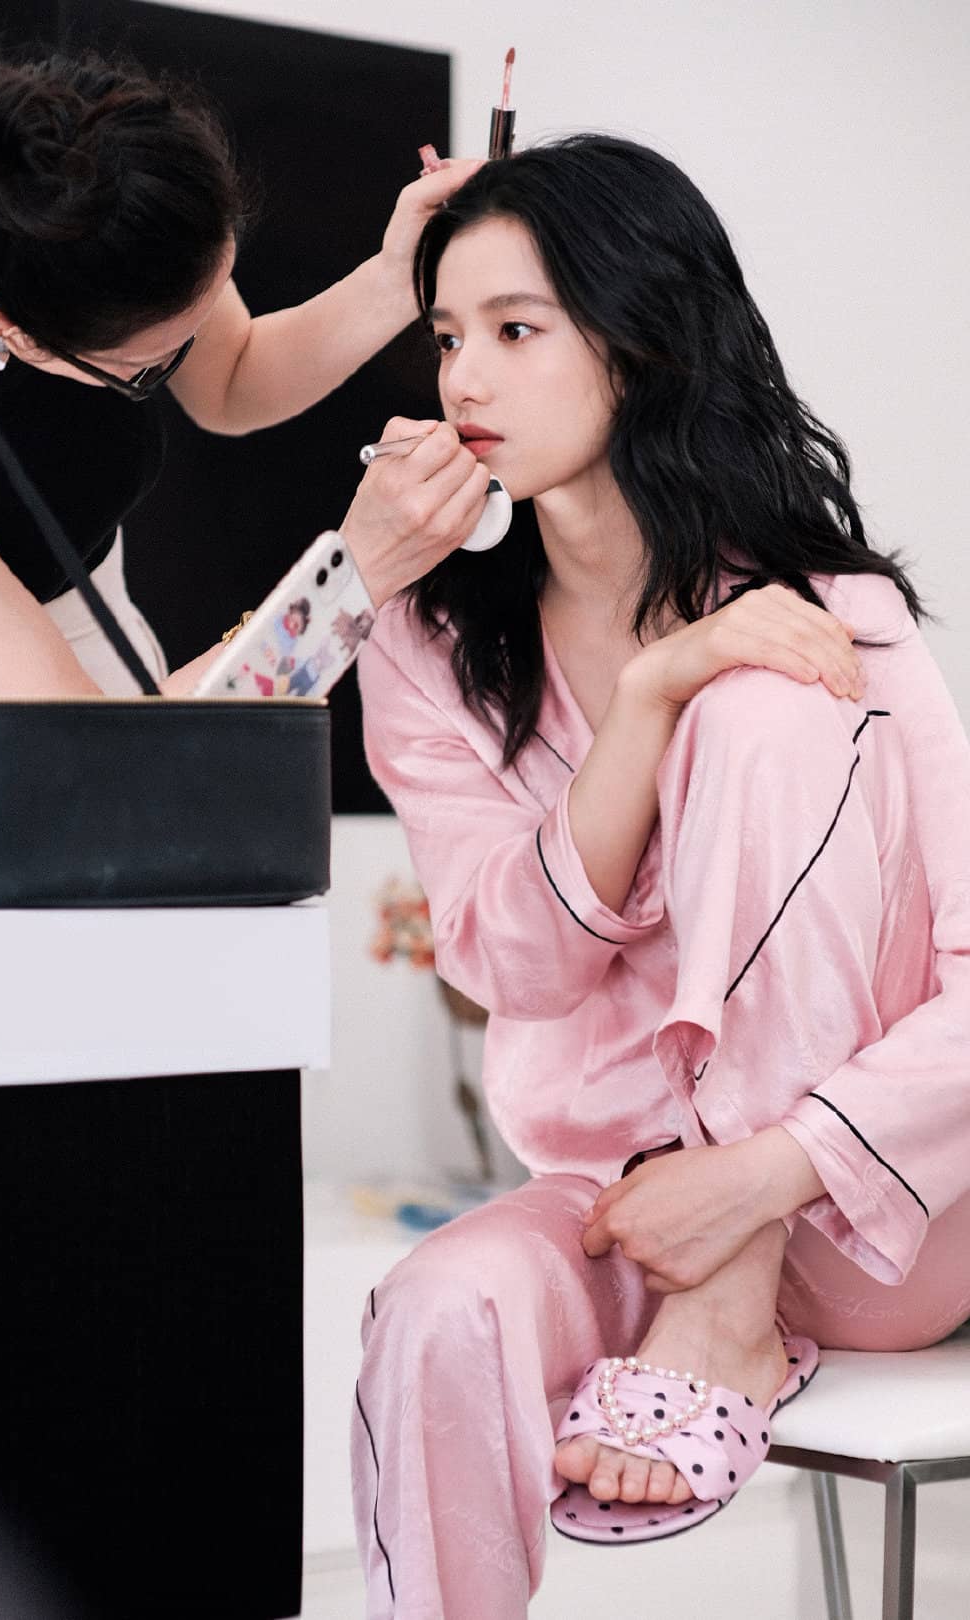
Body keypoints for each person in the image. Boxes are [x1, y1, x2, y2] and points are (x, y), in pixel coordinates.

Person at [352, 135, 970, 1617]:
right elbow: (518, 965)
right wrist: (645, 698)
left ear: (640, 342)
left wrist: (756, 1181)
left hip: (859, 1208)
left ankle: (734, 1296)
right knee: (436, 1309)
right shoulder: (427, 646)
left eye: (516, 331)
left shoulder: (832, 614)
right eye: (447, 337)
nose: (465, 380)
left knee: (762, 706)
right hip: (619, 1208)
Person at [0, 50, 491, 697]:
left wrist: (399, 276)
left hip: (101, 621)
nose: (196, 350)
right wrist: (356, 574)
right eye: (151, 365)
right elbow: (90, 742)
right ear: (5, 332)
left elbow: (232, 378)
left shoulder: (89, 173)